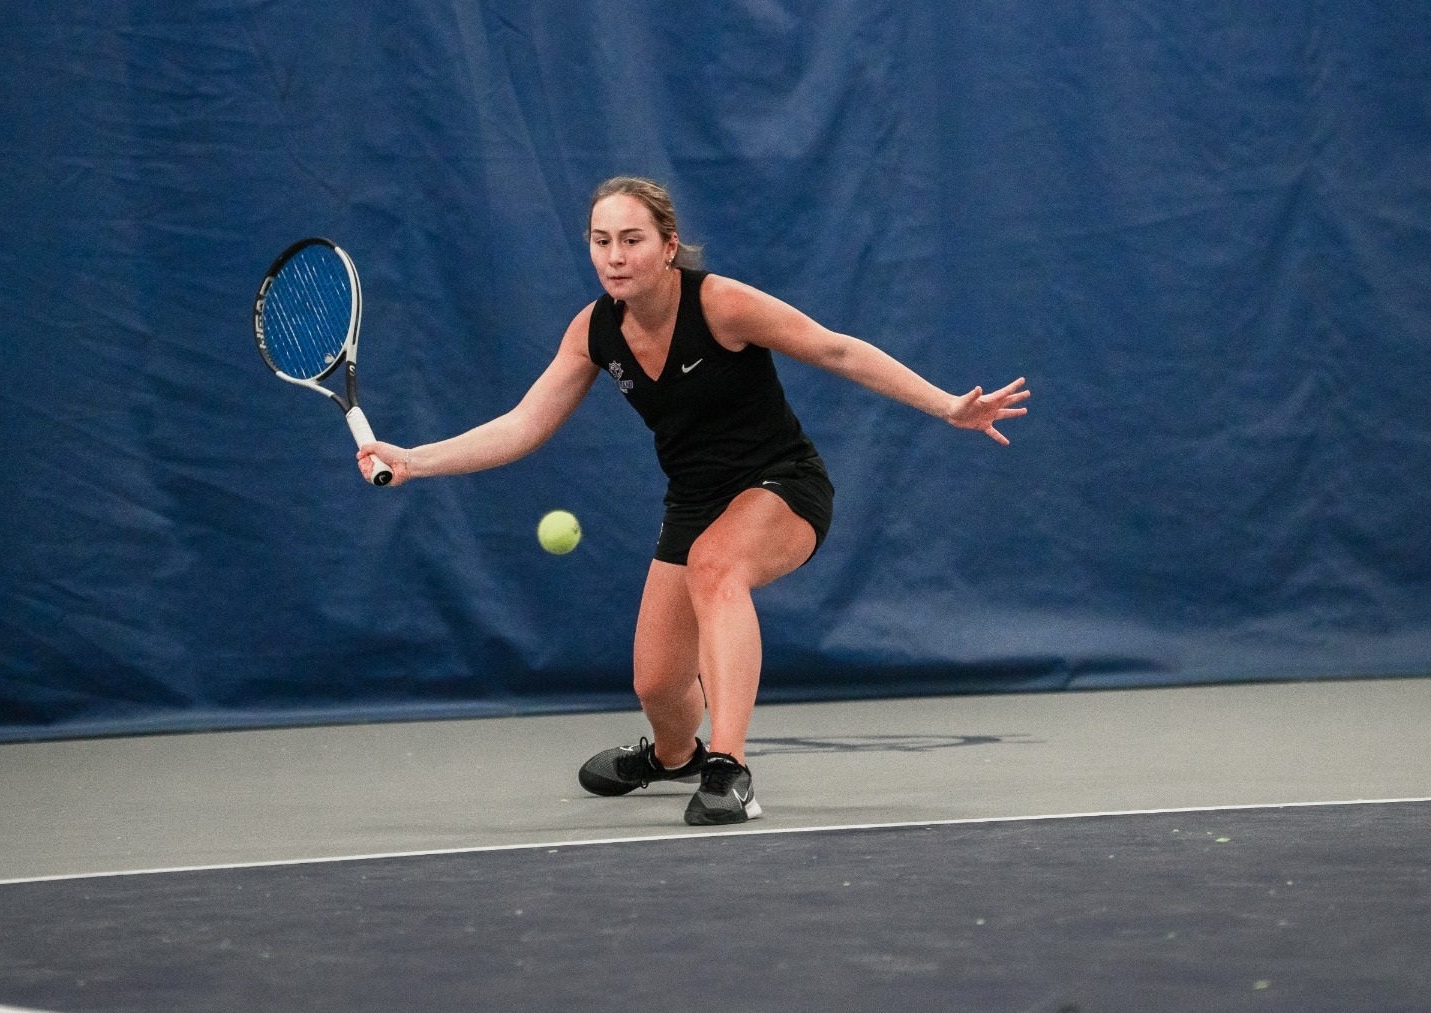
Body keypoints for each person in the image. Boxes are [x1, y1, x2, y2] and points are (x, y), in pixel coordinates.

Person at [359, 177, 1028, 826]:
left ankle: (731, 770)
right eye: (600, 241)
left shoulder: (721, 304)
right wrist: (413, 460)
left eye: (632, 239)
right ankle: (677, 756)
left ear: (669, 245)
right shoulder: (594, 331)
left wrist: (948, 406)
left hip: (781, 484)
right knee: (656, 685)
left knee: (716, 565)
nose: (615, 257)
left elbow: (838, 350)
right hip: (694, 501)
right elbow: (524, 424)